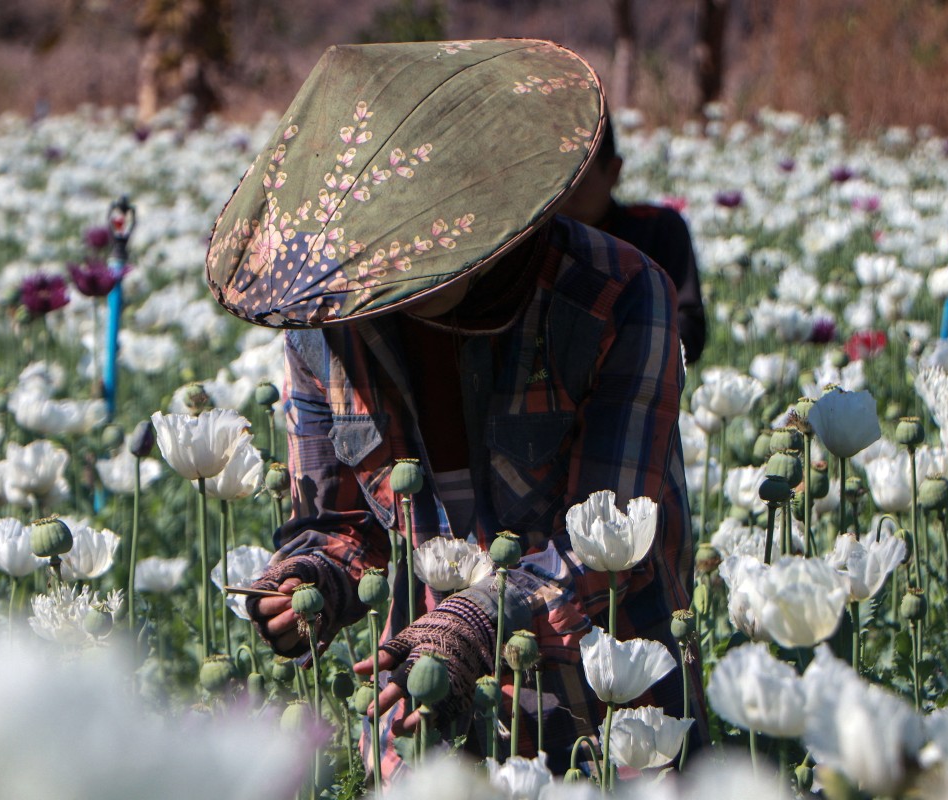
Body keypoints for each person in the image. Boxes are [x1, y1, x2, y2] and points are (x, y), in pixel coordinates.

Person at [205, 39, 703, 780]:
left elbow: (612, 542)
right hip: (423, 713)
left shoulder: (617, 299)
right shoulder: (325, 323)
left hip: (608, 713)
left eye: (396, 253)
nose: (369, 282)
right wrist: (313, 583)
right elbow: (339, 525)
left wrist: (478, 616)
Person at [558, 118, 708, 364]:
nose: (564, 192)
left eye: (577, 177)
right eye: (555, 179)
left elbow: (689, 329)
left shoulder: (657, 229)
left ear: (613, 171)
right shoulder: (532, 242)